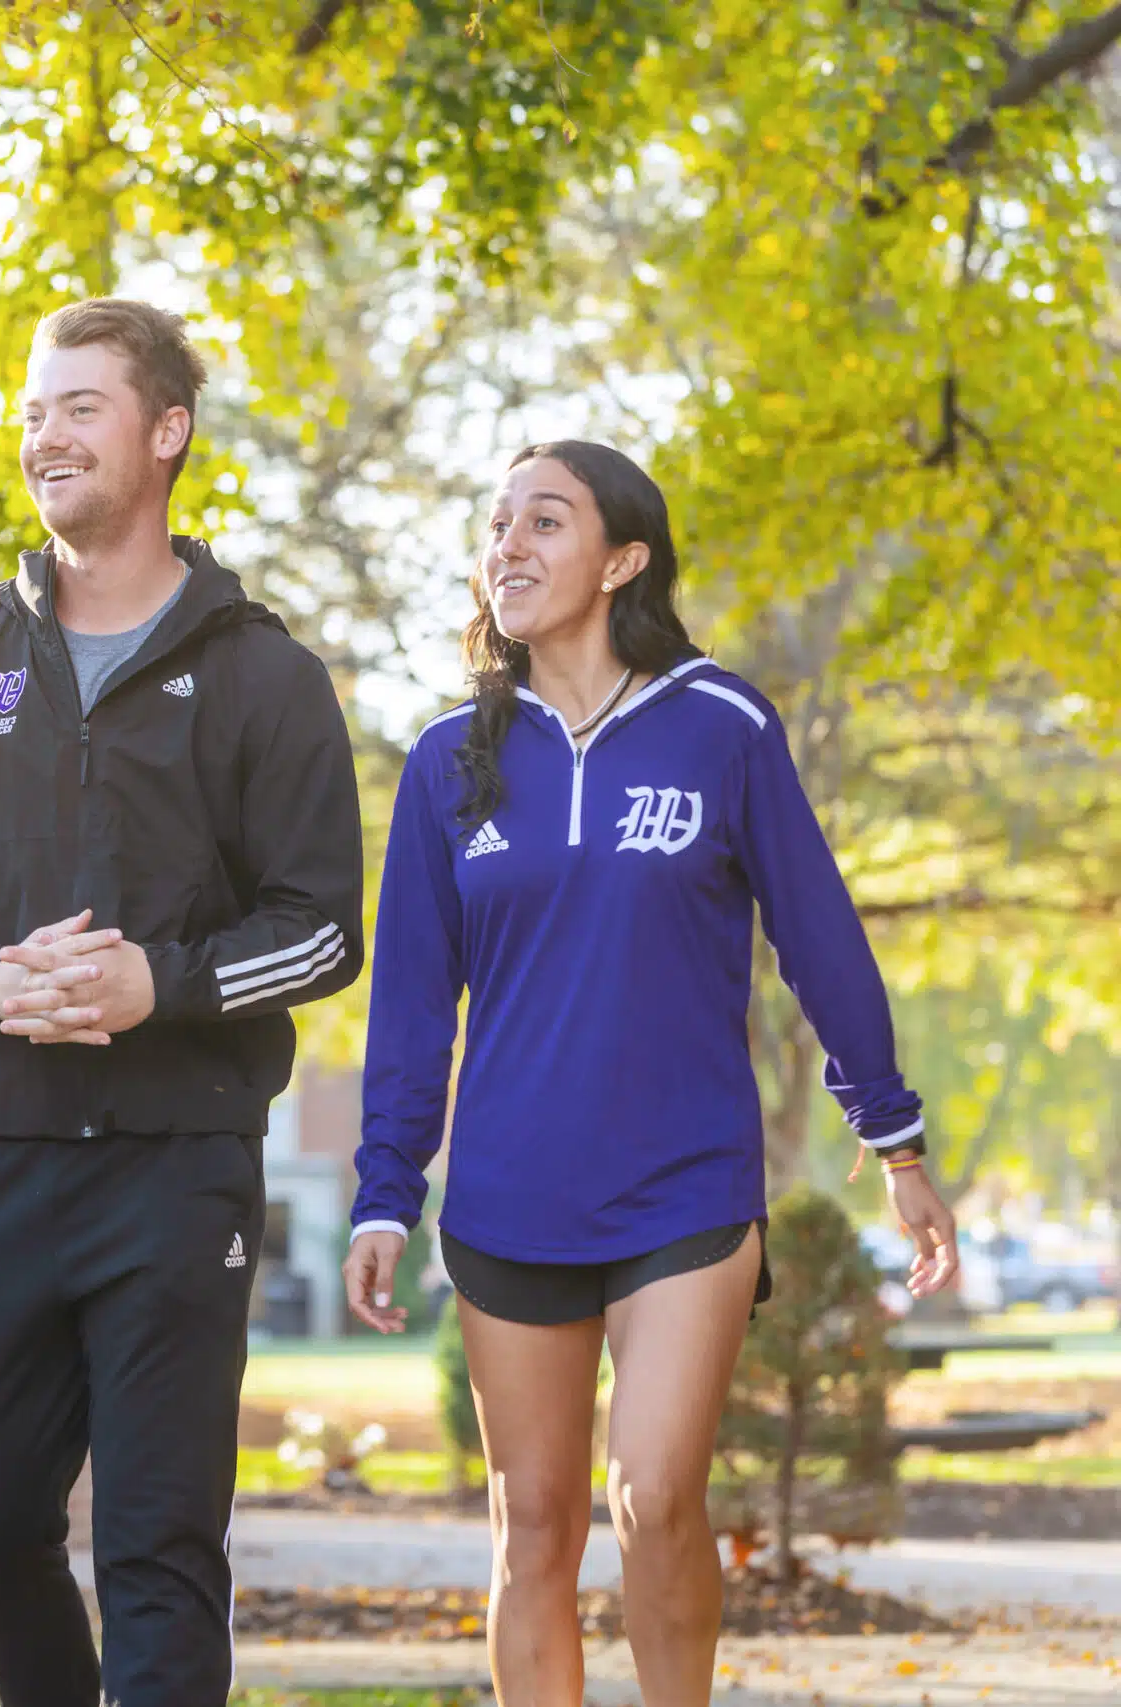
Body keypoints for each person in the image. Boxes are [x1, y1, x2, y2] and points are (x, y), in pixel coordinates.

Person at [341, 441, 961, 1707]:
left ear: (622, 560)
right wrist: (381, 1190)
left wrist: (891, 1143)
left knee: (658, 1494)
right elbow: (410, 1006)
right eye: (497, 520)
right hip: (509, 1195)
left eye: (545, 522)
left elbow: (820, 941)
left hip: (684, 1186)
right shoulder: (445, 759)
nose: (507, 545)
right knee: (534, 1537)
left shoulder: (720, 727)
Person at [0, 298, 365, 1707]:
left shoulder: (266, 673)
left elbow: (322, 932)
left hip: (177, 1173)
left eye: (80, 405)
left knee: (158, 1540)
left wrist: (164, 983)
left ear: (166, 431)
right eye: (33, 410)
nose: (45, 434)